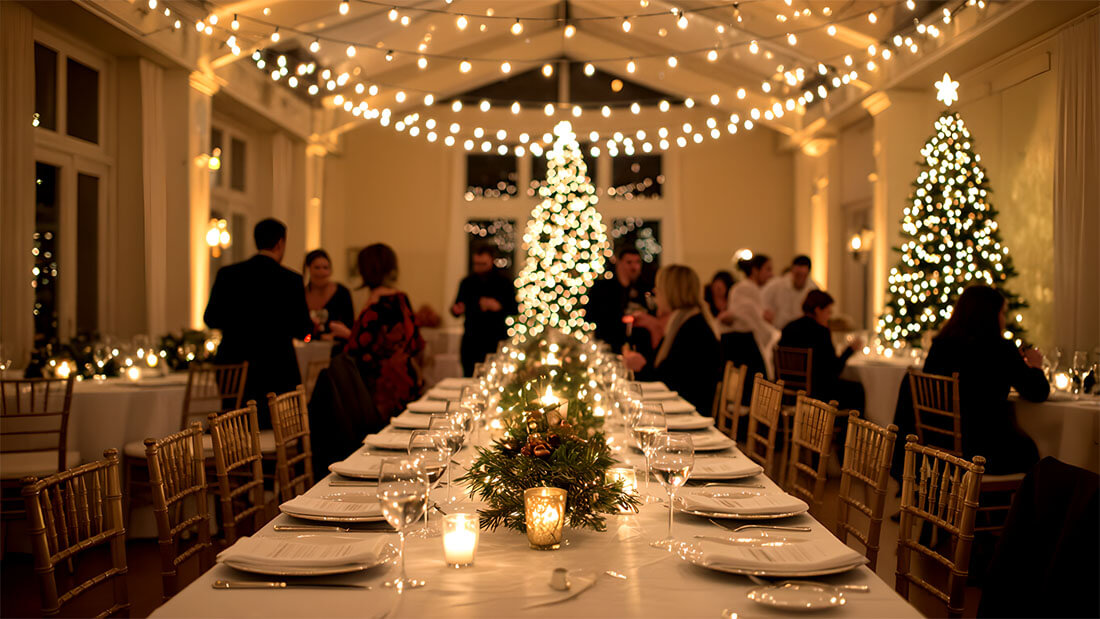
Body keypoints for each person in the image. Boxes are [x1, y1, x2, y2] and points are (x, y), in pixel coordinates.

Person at [899, 285, 1048, 475]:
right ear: (991, 315)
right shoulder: (1000, 350)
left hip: (940, 444)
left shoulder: (941, 346)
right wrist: (1035, 366)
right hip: (983, 450)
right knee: (1032, 452)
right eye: (1002, 313)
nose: (1003, 319)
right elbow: (1037, 392)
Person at [204, 218, 312, 427]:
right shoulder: (291, 280)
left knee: (236, 422)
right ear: (280, 243)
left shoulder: (228, 274)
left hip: (235, 367)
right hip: (277, 369)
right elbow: (302, 329)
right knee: (277, 423)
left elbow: (211, 319)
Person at [622, 265, 721, 414]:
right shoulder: (683, 321)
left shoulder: (693, 329)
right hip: (682, 411)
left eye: (659, 288)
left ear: (671, 292)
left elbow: (671, 383)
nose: (655, 292)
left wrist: (641, 366)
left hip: (691, 415)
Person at [344, 243, 425, 421]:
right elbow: (415, 342)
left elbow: (357, 347)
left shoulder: (374, 305)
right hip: (405, 377)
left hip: (379, 385)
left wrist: (345, 333)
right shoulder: (401, 299)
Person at [778, 290, 864, 411]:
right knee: (857, 389)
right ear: (818, 310)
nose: (829, 317)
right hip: (817, 392)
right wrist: (850, 350)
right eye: (828, 312)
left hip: (788, 390)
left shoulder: (788, 328)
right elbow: (834, 370)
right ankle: (843, 428)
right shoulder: (821, 332)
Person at [718, 254, 778, 400]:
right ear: (755, 270)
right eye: (767, 269)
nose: (771, 274)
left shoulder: (747, 289)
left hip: (740, 345)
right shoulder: (746, 289)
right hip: (744, 348)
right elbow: (751, 321)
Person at [451, 246, 518, 376]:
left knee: (496, 378)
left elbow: (515, 309)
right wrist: (457, 310)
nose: (479, 267)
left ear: (491, 261)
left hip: (495, 339)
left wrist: (498, 307)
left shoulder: (504, 282)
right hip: (472, 340)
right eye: (476, 264)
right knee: (470, 378)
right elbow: (456, 308)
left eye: (483, 264)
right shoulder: (467, 282)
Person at [584, 246, 654, 356]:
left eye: (637, 262)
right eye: (629, 262)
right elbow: (591, 317)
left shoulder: (645, 291)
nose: (634, 267)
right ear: (619, 263)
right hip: (608, 350)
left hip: (639, 351)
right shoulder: (602, 290)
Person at [303, 249, 355, 348]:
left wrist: (333, 336)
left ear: (330, 270)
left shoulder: (342, 293)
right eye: (317, 268)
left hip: (337, 350)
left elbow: (349, 326)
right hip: (307, 350)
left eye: (325, 268)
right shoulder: (301, 294)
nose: (321, 272)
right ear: (309, 269)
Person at [763, 255, 819, 330]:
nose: (800, 279)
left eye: (803, 276)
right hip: (779, 331)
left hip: (802, 333)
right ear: (792, 271)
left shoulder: (813, 290)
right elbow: (762, 301)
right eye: (797, 275)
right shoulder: (776, 285)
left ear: (808, 274)